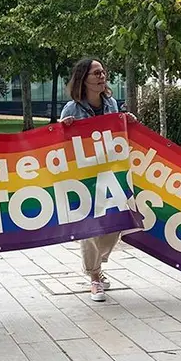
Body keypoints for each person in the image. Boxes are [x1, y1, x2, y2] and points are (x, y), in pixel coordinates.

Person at [59, 58, 130, 303]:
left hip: (111, 174)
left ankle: (97, 266)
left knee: (115, 223)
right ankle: (95, 278)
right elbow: (60, 145)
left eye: (103, 72)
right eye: (96, 72)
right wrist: (63, 128)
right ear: (84, 78)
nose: (102, 76)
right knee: (89, 228)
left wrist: (126, 122)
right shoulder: (72, 109)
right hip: (84, 177)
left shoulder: (111, 104)